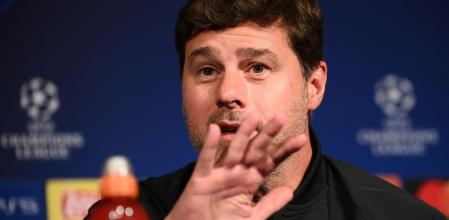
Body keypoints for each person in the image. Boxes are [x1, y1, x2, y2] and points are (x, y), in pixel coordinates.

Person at [87, 0, 447, 219]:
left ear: (314, 86)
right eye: (207, 70)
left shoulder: (402, 217)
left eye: (257, 68)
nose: (228, 93)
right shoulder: (130, 214)